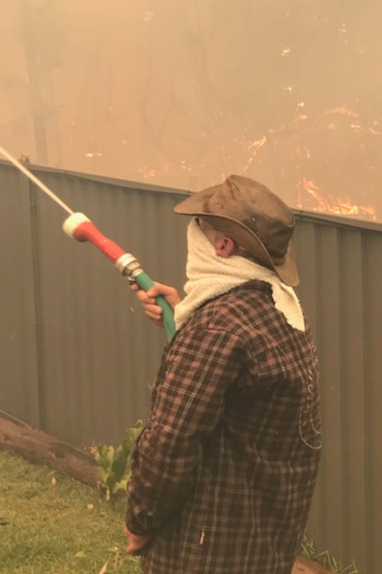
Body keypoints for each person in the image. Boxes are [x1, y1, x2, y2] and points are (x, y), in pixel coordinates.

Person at [124, 175, 322, 574]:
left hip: (206, 552)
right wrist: (185, 313)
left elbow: (170, 442)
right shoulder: (277, 307)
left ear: (223, 246)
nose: (191, 235)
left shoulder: (216, 330)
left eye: (199, 227)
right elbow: (235, 393)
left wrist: (140, 522)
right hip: (261, 546)